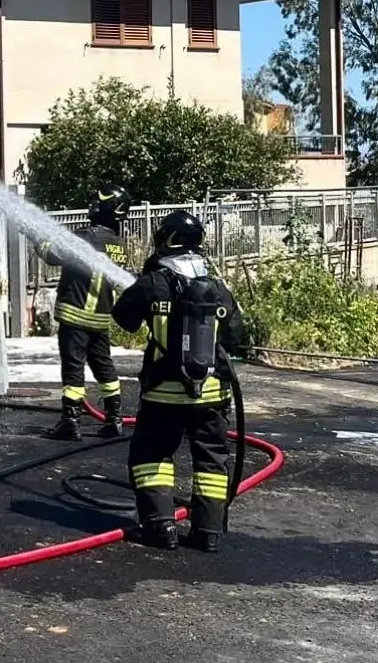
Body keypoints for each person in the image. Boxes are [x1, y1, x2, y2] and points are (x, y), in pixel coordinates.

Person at [111, 208, 251, 552]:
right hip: (212, 393)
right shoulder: (217, 288)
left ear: (165, 240)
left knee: (152, 454)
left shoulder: (154, 282)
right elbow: (239, 339)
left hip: (163, 393)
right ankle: (208, 532)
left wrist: (146, 290)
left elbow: (122, 317)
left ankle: (161, 529)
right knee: (212, 460)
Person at [42, 185, 133, 441]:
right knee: (104, 365)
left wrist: (35, 234)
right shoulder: (118, 244)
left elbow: (52, 254)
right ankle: (114, 419)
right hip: (101, 317)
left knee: (73, 367)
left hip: (76, 314)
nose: (93, 204)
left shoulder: (86, 237)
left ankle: (70, 421)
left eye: (99, 201)